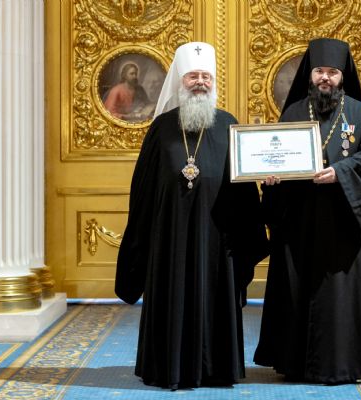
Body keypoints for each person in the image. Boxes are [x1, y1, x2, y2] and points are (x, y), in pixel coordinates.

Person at [115, 42, 268, 390]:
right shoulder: (161, 128)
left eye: (206, 77)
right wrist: (143, 238)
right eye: (193, 76)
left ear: (213, 83)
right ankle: (167, 367)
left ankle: (216, 369)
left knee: (215, 295)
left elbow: (244, 187)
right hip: (170, 237)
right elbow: (143, 190)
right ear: (180, 81)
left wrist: (257, 203)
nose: (200, 82)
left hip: (218, 236)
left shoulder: (228, 124)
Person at [254, 38, 361, 384]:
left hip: (344, 225)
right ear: (310, 74)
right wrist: (272, 179)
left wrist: (341, 172)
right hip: (299, 223)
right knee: (297, 290)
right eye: (320, 71)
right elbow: (276, 159)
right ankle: (295, 362)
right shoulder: (294, 113)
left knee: (340, 297)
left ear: (342, 76)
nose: (325, 78)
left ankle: (344, 363)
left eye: (332, 72)